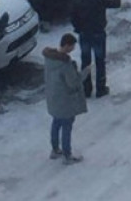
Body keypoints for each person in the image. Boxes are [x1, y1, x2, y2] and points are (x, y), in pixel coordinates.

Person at [70, 0, 121, 98]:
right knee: (100, 62)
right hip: (98, 33)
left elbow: (73, 17)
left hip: (84, 34)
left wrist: (78, 28)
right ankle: (100, 88)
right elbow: (116, 3)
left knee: (85, 61)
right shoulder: (100, 0)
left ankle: (86, 89)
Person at [43, 33, 88, 165]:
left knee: (56, 122)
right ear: (67, 45)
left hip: (53, 98)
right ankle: (67, 155)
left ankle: (55, 149)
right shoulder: (64, 64)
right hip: (65, 100)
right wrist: (84, 73)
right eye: (73, 46)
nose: (73, 48)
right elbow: (73, 83)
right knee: (67, 125)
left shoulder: (49, 58)